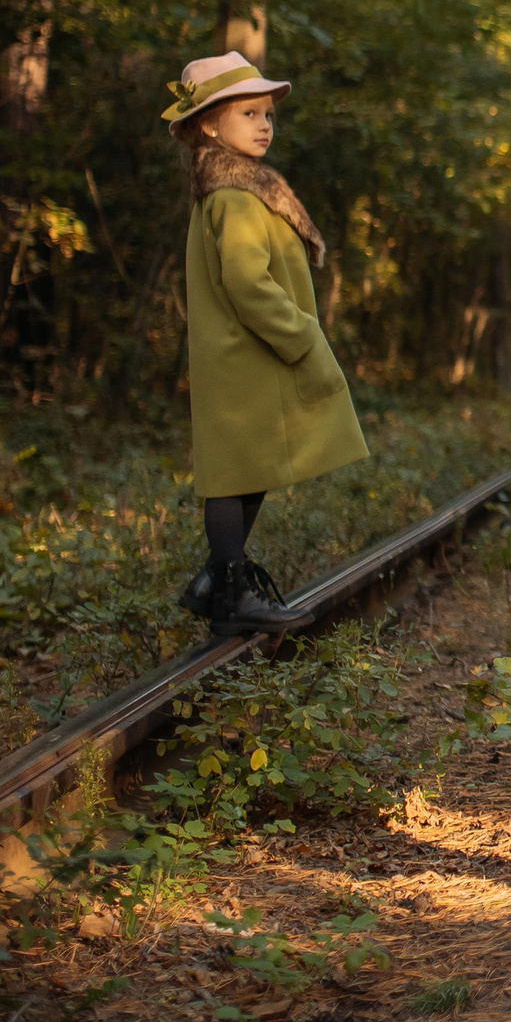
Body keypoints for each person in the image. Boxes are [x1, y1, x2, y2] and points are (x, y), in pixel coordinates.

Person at [159, 52, 369, 636]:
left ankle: (218, 582)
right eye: (248, 113)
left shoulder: (236, 190)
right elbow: (247, 283)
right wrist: (300, 333)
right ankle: (229, 592)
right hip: (246, 352)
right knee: (234, 473)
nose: (264, 125)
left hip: (246, 353)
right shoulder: (232, 196)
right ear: (208, 125)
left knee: (248, 468)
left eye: (267, 115)